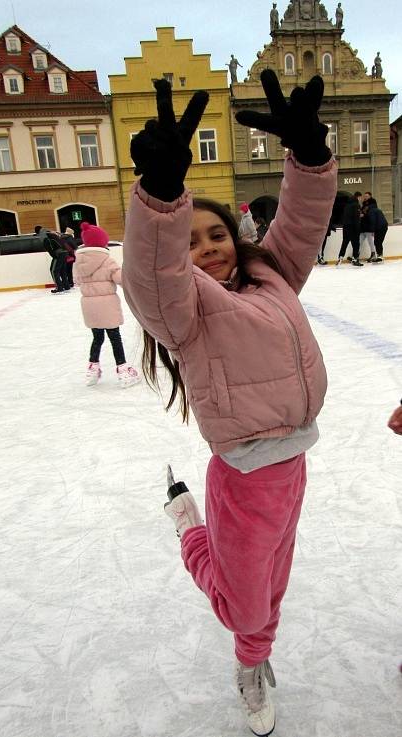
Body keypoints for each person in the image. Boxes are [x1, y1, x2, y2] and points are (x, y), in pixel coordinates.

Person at [123, 71, 336, 736]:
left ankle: (255, 644)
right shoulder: (183, 309)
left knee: (270, 588)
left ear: (236, 238)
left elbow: (301, 220)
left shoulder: (272, 271)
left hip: (293, 465)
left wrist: (308, 156)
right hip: (242, 478)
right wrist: (161, 200)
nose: (206, 248)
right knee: (243, 606)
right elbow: (151, 274)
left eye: (214, 235)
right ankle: (192, 530)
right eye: (191, 241)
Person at [73, 221, 140, 388]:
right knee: (114, 337)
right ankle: (123, 371)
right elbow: (121, 279)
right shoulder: (107, 261)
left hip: (89, 306)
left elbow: (76, 281)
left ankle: (92, 370)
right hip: (107, 306)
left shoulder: (78, 262)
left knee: (97, 337)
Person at [35, 225, 71, 292]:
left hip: (58, 253)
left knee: (54, 271)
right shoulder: (50, 232)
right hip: (65, 252)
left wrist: (54, 256)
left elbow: (49, 248)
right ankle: (66, 286)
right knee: (62, 270)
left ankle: (59, 287)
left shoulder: (44, 236)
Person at [336, 192, 363, 266]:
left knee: (345, 242)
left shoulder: (347, 205)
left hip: (345, 226)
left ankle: (340, 258)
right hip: (353, 227)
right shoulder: (356, 205)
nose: (361, 199)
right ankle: (355, 259)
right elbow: (356, 218)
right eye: (360, 198)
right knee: (356, 244)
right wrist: (358, 228)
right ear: (358, 197)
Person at [366, 197, 388, 262]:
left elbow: (373, 221)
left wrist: (372, 230)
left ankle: (380, 256)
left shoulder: (371, 211)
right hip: (384, 227)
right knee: (378, 242)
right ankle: (380, 255)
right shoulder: (377, 209)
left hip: (379, 228)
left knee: (377, 242)